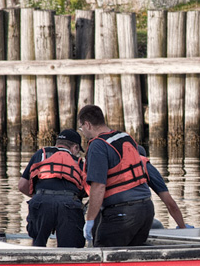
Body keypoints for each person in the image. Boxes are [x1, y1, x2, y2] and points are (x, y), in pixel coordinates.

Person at [78, 104, 154, 247]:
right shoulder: (125, 137)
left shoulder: (98, 146)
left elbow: (99, 187)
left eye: (81, 128)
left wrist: (90, 220)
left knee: (105, 258)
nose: (83, 132)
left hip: (122, 213)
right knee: (132, 260)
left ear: (87, 125)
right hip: (146, 210)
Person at [17, 129, 87, 248]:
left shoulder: (41, 154)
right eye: (78, 151)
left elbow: (22, 186)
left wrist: (41, 197)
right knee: (70, 252)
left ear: (57, 143)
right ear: (75, 147)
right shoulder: (79, 162)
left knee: (37, 247)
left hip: (41, 201)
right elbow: (88, 189)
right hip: (69, 204)